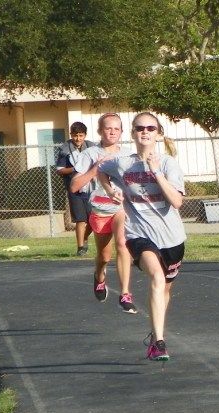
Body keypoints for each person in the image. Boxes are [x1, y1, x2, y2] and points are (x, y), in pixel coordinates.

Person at [97, 112, 187, 361]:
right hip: (139, 235)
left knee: (164, 288)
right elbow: (101, 170)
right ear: (133, 133)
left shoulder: (169, 164)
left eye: (150, 128)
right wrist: (110, 190)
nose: (144, 132)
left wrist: (156, 172)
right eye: (139, 128)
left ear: (158, 134)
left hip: (172, 239)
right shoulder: (122, 162)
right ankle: (159, 342)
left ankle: (156, 331)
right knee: (156, 278)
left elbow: (177, 202)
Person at [70, 113, 138, 313]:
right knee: (104, 256)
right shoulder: (89, 154)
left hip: (121, 208)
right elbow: (74, 186)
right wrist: (95, 169)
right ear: (100, 131)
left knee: (122, 244)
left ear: (122, 132)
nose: (112, 132)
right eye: (108, 128)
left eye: (117, 128)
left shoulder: (128, 154)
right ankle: (99, 276)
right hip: (100, 209)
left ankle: (125, 294)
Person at [55, 122, 96, 256]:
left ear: (85, 135)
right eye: (75, 135)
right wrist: (75, 169)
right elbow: (60, 170)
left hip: (92, 188)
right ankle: (81, 248)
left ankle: (84, 238)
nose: (78, 139)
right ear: (71, 135)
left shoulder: (91, 147)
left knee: (93, 219)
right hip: (75, 189)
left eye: (80, 135)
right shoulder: (65, 150)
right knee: (80, 219)